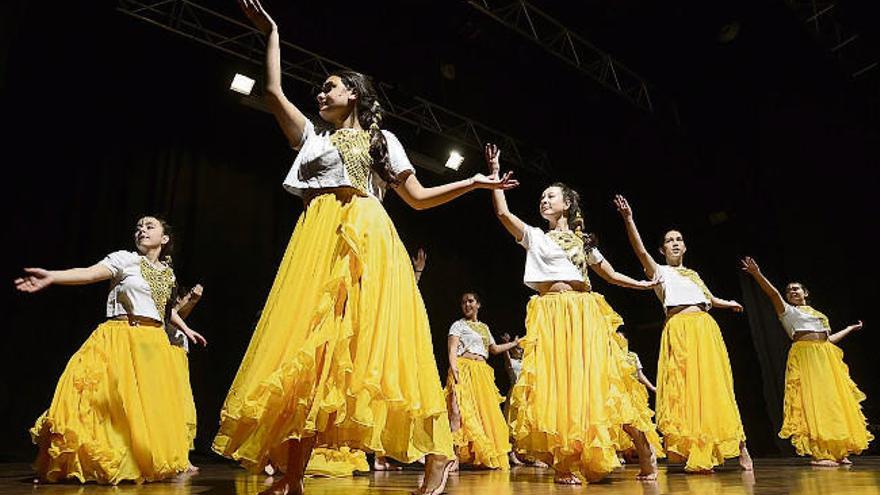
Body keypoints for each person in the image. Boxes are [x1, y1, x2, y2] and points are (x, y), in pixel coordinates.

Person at [214, 3, 518, 494]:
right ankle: (292, 476)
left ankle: (438, 454)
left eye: (330, 85)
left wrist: (475, 182)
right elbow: (271, 91)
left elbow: (416, 198)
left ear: (352, 93)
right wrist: (272, 32)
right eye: (320, 87)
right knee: (309, 354)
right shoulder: (313, 138)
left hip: (370, 237)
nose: (320, 92)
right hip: (318, 243)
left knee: (387, 347)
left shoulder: (382, 140)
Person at [486, 145, 660, 483]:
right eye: (542, 198)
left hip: (584, 314)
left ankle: (642, 446)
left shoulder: (584, 242)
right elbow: (504, 216)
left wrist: (641, 285)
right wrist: (494, 177)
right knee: (559, 386)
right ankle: (566, 460)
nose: (544, 200)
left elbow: (609, 274)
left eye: (551, 196)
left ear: (567, 204)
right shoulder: (535, 237)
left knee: (602, 381)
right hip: (550, 316)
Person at [17, 216, 207, 484]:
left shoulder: (167, 273)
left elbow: (163, 310)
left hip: (153, 343)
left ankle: (141, 459)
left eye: (149, 226)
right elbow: (88, 273)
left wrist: (185, 329)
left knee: (144, 407)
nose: (142, 230)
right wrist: (52, 277)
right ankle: (95, 459)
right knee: (105, 401)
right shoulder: (125, 260)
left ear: (164, 239)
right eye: (138, 227)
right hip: (121, 336)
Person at [614, 195, 752, 473]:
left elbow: (710, 298)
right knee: (686, 389)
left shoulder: (694, 274)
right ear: (663, 250)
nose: (675, 242)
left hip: (705, 328)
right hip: (678, 329)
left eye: (678, 239)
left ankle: (739, 446)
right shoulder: (660, 271)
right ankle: (694, 448)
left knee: (715, 386)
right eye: (669, 240)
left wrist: (730, 303)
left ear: (685, 246)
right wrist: (629, 219)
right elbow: (640, 251)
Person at [741, 257, 872, 466]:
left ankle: (838, 449)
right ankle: (820, 453)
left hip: (826, 356)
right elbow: (772, 293)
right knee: (813, 400)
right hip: (806, 355)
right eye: (789, 290)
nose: (792, 292)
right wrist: (757, 274)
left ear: (805, 293)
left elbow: (828, 339)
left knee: (833, 401)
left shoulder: (819, 315)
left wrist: (849, 329)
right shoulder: (787, 311)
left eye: (796, 289)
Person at [446, 292, 520, 470]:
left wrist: (515, 343)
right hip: (463, 368)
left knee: (483, 414)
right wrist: (455, 372)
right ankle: (454, 457)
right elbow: (452, 349)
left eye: (470, 301)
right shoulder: (458, 325)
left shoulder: (484, 328)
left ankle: (482, 454)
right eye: (464, 302)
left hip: (481, 373)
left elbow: (494, 349)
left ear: (478, 304)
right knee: (458, 412)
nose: (467, 305)